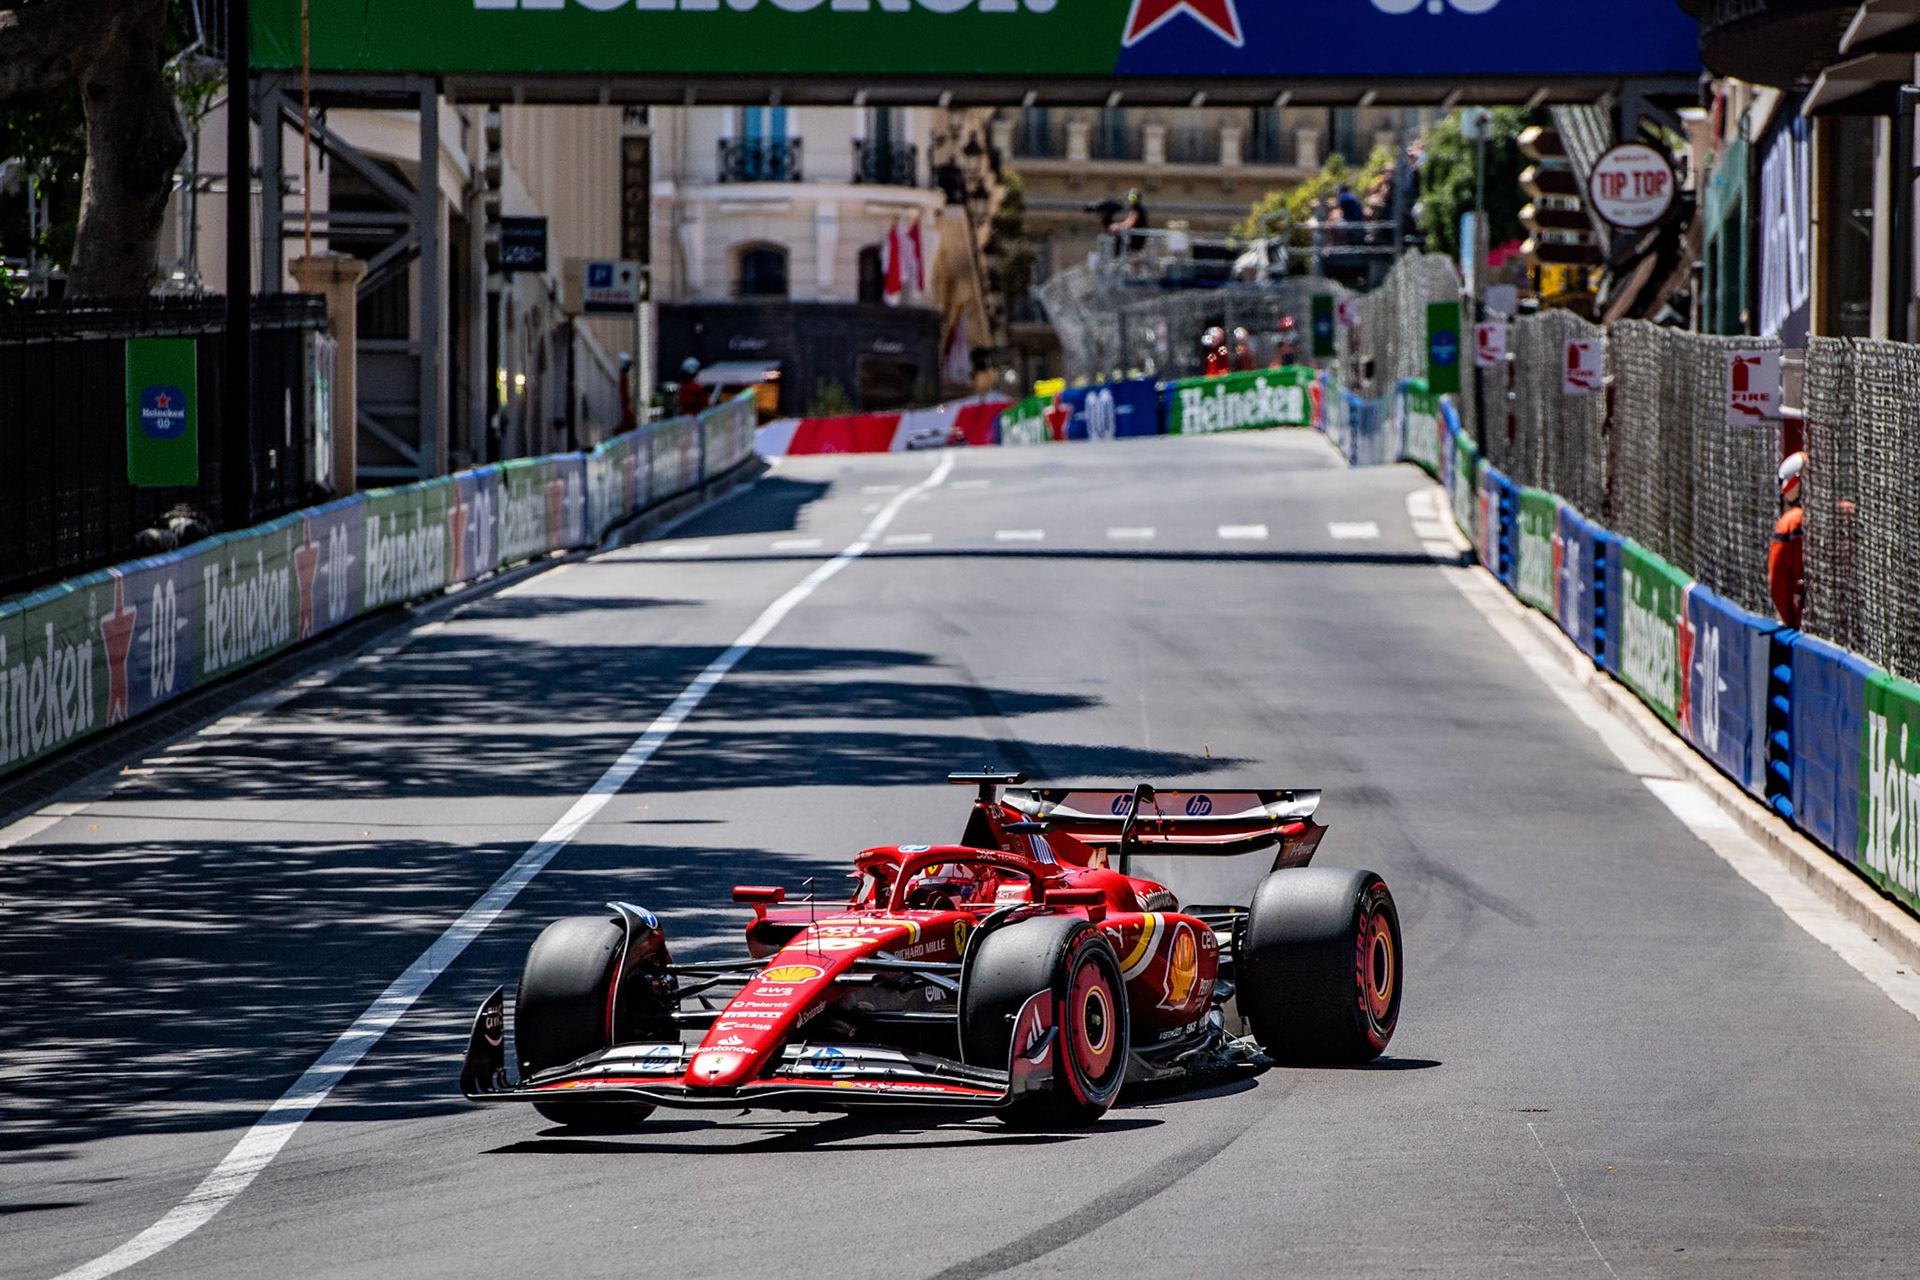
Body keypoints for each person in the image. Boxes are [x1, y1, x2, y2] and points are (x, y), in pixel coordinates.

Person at [1769, 451, 1805, 629]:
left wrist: (1790, 620)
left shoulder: (1791, 521)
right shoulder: (1844, 511)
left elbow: (1777, 580)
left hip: (1805, 617)